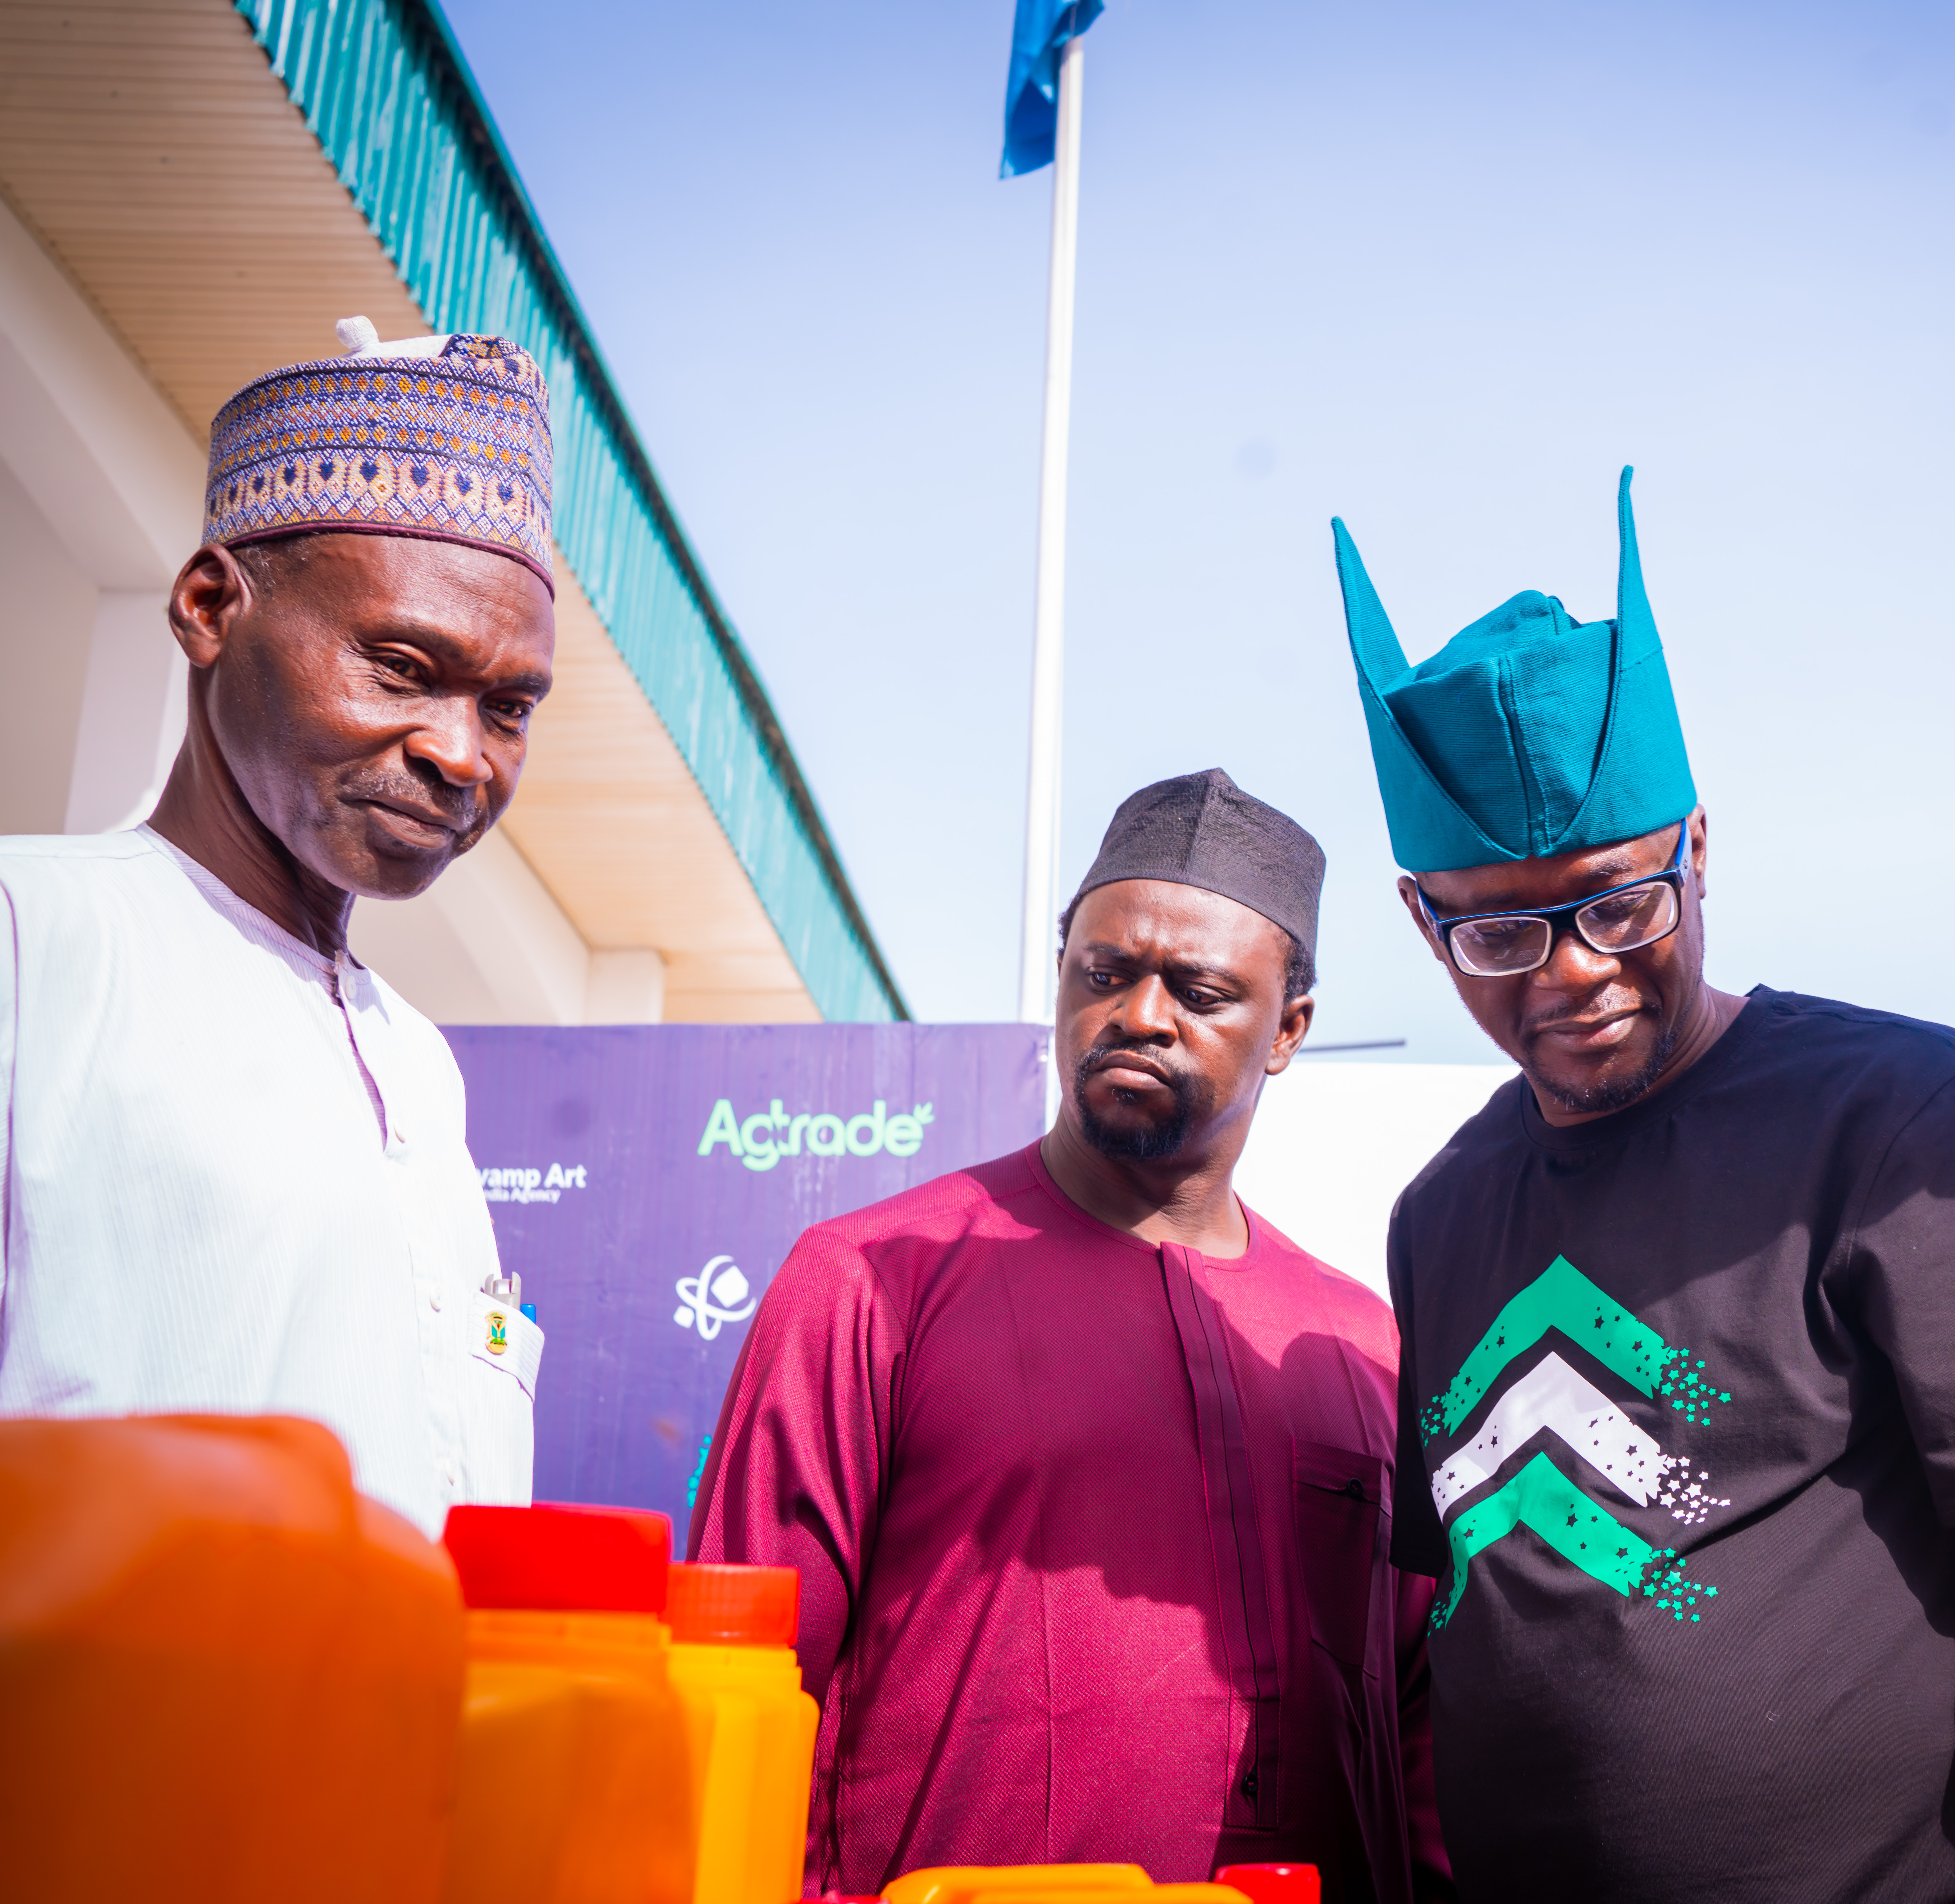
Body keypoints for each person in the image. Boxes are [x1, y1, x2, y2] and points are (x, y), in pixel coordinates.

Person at [1335, 470, 1955, 1904]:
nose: (1574, 971)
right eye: (1500, 936)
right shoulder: (1439, 1214)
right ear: (1420, 917)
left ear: (1697, 846)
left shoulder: (1909, 1124)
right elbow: (1462, 1635)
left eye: (1618, 901)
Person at [690, 771, 1448, 1901]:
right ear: (1061, 978)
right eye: (1106, 974)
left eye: (1198, 989)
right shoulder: (869, 1283)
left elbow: (1421, 1720)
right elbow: (734, 1686)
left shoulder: (1360, 1347)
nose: (1140, 1016)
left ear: (1286, 1029)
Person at [0, 319, 559, 1534]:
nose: (462, 755)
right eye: (403, 667)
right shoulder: (29, 939)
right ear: (211, 606)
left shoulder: (418, 1062)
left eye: (508, 706)